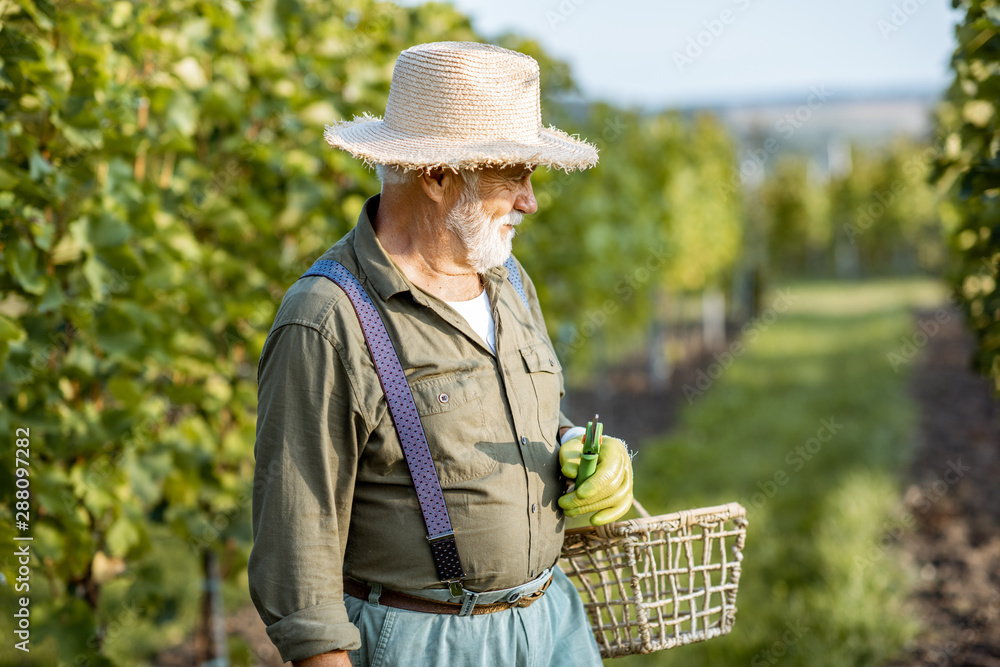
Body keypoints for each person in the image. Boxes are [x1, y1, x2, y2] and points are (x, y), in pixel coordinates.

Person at [248, 41, 634, 667]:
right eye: (514, 173)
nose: (530, 200)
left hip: (554, 623)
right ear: (436, 175)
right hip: (429, 642)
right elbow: (299, 558)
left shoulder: (509, 282)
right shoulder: (327, 319)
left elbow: (508, 419)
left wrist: (576, 450)